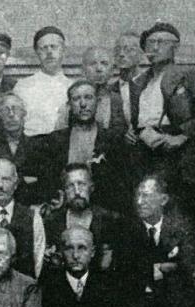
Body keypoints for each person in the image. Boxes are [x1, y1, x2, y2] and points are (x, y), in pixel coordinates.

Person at [128, 22, 195, 228]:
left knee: (178, 211)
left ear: (175, 47)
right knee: (146, 210)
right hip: (145, 152)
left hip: (179, 154)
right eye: (151, 42)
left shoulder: (191, 74)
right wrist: (133, 133)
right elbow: (137, 120)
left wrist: (182, 136)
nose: (155, 47)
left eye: (161, 42)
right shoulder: (139, 82)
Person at [113, 174, 195, 307]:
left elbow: (188, 267)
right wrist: (165, 267)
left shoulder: (181, 227)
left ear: (163, 199)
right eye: (137, 195)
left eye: (146, 195)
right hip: (137, 299)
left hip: (173, 301)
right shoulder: (125, 229)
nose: (139, 201)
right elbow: (125, 269)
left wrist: (153, 269)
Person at [37, 81, 129, 213]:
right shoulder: (55, 141)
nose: (83, 104)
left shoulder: (113, 140)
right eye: (76, 99)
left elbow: (120, 186)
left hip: (102, 214)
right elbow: (47, 182)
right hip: (64, 212)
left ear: (97, 102)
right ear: (69, 105)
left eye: (88, 97)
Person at [42, 164, 122, 273]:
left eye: (82, 184)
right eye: (70, 186)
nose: (77, 192)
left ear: (91, 188)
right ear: (64, 191)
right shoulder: (53, 222)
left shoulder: (108, 220)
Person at [0, 93, 47, 207]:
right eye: (5, 110)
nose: (11, 114)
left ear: (24, 115)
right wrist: (24, 180)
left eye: (15, 109)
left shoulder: (37, 145)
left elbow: (43, 182)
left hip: (29, 208)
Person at [14, 26, 72, 136]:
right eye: (44, 48)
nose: (49, 52)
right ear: (37, 52)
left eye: (54, 47)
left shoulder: (73, 87)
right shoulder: (23, 86)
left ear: (63, 50)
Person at [80, 46, 129, 136]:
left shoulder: (120, 99)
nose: (99, 69)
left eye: (104, 63)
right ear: (83, 70)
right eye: (93, 64)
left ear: (112, 71)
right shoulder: (74, 100)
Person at [109, 31, 143, 131]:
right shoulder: (109, 90)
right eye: (117, 50)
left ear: (141, 55)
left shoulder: (151, 86)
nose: (121, 54)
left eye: (129, 49)